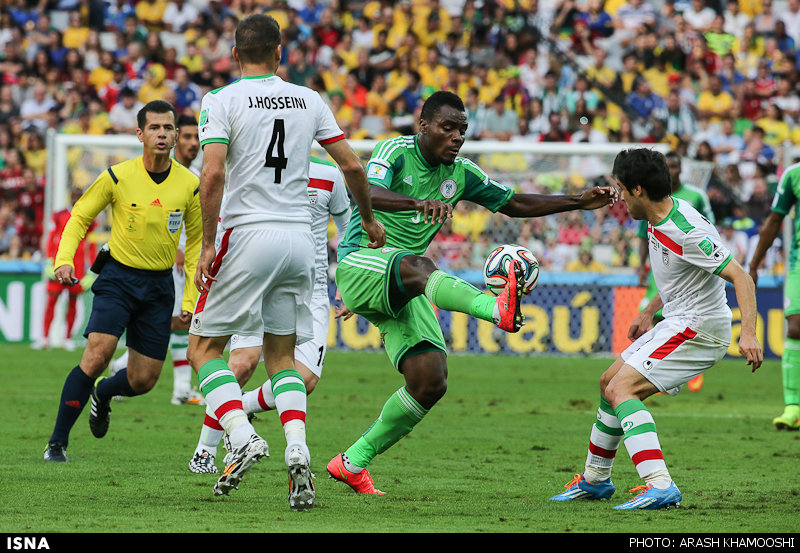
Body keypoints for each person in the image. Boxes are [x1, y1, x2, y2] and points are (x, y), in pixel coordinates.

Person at [325, 90, 618, 496]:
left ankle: (352, 461)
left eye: (462, 131)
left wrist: (577, 202)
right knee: (419, 265)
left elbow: (513, 203)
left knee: (430, 381)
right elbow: (368, 193)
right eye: (448, 128)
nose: (457, 137)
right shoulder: (394, 149)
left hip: (402, 282)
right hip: (362, 261)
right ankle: (494, 308)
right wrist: (417, 201)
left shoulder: (461, 173)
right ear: (423, 125)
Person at [186, 14, 384, 511]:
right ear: (280, 53)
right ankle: (297, 449)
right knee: (281, 358)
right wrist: (370, 221)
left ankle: (241, 435)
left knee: (204, 349)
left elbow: (211, 175)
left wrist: (208, 243)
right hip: (300, 242)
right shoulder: (309, 99)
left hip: (248, 233)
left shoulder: (221, 100)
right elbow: (353, 165)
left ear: (234, 55)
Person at [549, 148, 761, 510]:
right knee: (608, 383)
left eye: (620, 188)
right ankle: (596, 479)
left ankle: (660, 485)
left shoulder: (684, 230)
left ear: (637, 190)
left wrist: (749, 333)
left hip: (700, 328)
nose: (617, 197)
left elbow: (741, 276)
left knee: (621, 389)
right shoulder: (659, 216)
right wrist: (649, 311)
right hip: (678, 319)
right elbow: (680, 277)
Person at [43, 100, 202, 463]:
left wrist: (191, 302)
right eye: (155, 128)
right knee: (98, 353)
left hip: (159, 286)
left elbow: (195, 245)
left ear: (176, 135)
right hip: (118, 276)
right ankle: (57, 442)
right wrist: (64, 259)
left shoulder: (189, 184)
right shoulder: (117, 176)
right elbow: (80, 215)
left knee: (144, 380)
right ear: (140, 134)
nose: (162, 134)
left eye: (168, 128)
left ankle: (102, 395)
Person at [188, 155, 351, 473]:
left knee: (304, 379)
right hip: (255, 278)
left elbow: (346, 231)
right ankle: (204, 450)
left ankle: (242, 406)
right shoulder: (256, 163)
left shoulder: (329, 174)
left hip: (308, 289)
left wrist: (344, 283)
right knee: (241, 363)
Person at [109, 114, 204, 406]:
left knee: (178, 324)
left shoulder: (198, 174)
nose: (192, 143)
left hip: (192, 259)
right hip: (166, 261)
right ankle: (179, 389)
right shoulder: (164, 173)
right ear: (176, 139)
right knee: (178, 323)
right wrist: (174, 245)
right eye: (187, 137)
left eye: (196, 138)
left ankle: (122, 367)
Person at [636, 151, 715, 393]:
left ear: (680, 168)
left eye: (675, 166)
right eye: (668, 166)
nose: (672, 171)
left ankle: (691, 369)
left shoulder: (696, 196)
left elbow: (710, 226)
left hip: (685, 267)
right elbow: (642, 234)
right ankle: (662, 371)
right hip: (660, 266)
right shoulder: (650, 198)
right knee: (657, 317)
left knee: (685, 317)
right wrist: (641, 264)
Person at [748, 161, 800, 430]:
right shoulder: (793, 175)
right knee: (795, 326)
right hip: (799, 262)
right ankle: (793, 406)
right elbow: (774, 221)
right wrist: (754, 264)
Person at [35, 187, 97, 351]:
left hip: (76, 267)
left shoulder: (88, 217)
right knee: (52, 301)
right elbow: (51, 238)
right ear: (70, 196)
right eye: (74, 195)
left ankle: (67, 338)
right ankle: (44, 338)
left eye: (79, 196)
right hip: (59, 264)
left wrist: (91, 269)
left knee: (72, 303)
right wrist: (49, 260)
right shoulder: (59, 215)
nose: (76, 198)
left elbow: (90, 243)